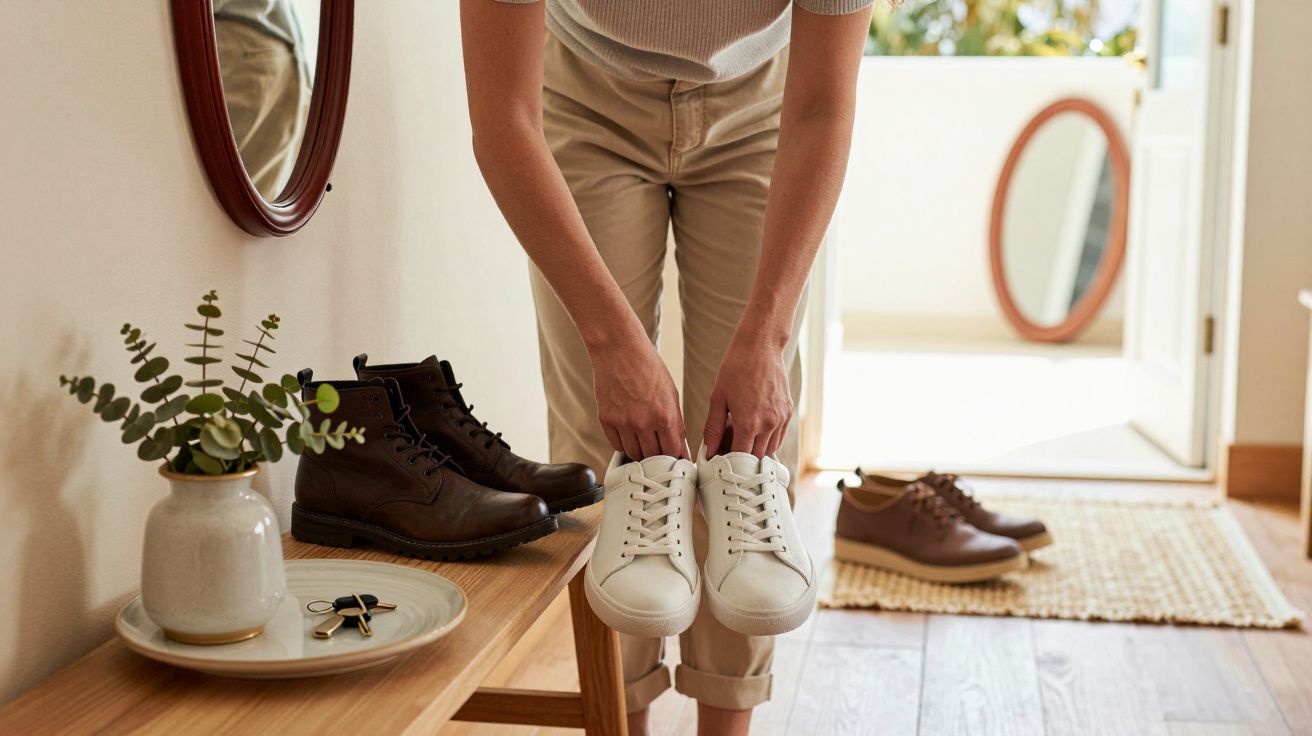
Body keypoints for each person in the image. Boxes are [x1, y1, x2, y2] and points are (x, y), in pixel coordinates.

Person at [459, 2, 874, 734]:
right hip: (586, 94)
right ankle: (619, 720)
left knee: (746, 461)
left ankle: (727, 722)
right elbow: (502, 119)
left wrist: (768, 339)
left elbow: (823, 106)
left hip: (769, 105)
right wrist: (613, 345)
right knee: (610, 454)